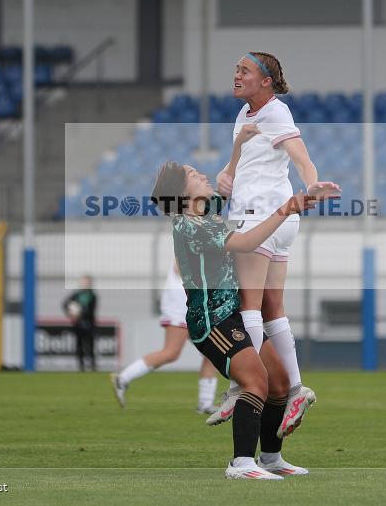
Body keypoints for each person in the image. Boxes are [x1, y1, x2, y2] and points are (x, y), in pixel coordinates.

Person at [149, 155, 319, 480]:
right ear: (183, 194)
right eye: (193, 175)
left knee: (280, 383)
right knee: (256, 381)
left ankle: (270, 458)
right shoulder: (188, 225)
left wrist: (240, 145)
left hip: (235, 316)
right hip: (213, 321)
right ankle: (241, 463)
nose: (201, 175)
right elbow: (246, 242)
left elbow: (228, 192)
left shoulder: (204, 213)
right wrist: (286, 209)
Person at [210, 51, 340, 438]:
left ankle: (243, 382)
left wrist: (312, 183)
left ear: (266, 80)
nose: (236, 75)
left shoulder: (275, 112)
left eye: (244, 70)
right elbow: (247, 162)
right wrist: (228, 171)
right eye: (236, 68)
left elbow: (301, 158)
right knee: (272, 309)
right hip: (277, 219)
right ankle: (297, 390)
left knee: (247, 306)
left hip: (262, 216)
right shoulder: (246, 114)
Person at [110, 260, 219, 414]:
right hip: (180, 307)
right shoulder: (190, 245)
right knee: (171, 352)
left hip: (191, 307)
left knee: (212, 352)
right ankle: (122, 379)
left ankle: (205, 403)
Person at [63, 275, 98, 372]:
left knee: (90, 346)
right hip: (78, 325)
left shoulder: (92, 296)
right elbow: (65, 304)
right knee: (79, 345)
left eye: (86, 282)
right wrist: (71, 313)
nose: (84, 284)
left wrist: (79, 312)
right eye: (83, 282)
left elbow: (91, 310)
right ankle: (81, 366)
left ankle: (92, 365)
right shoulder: (76, 295)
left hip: (89, 324)